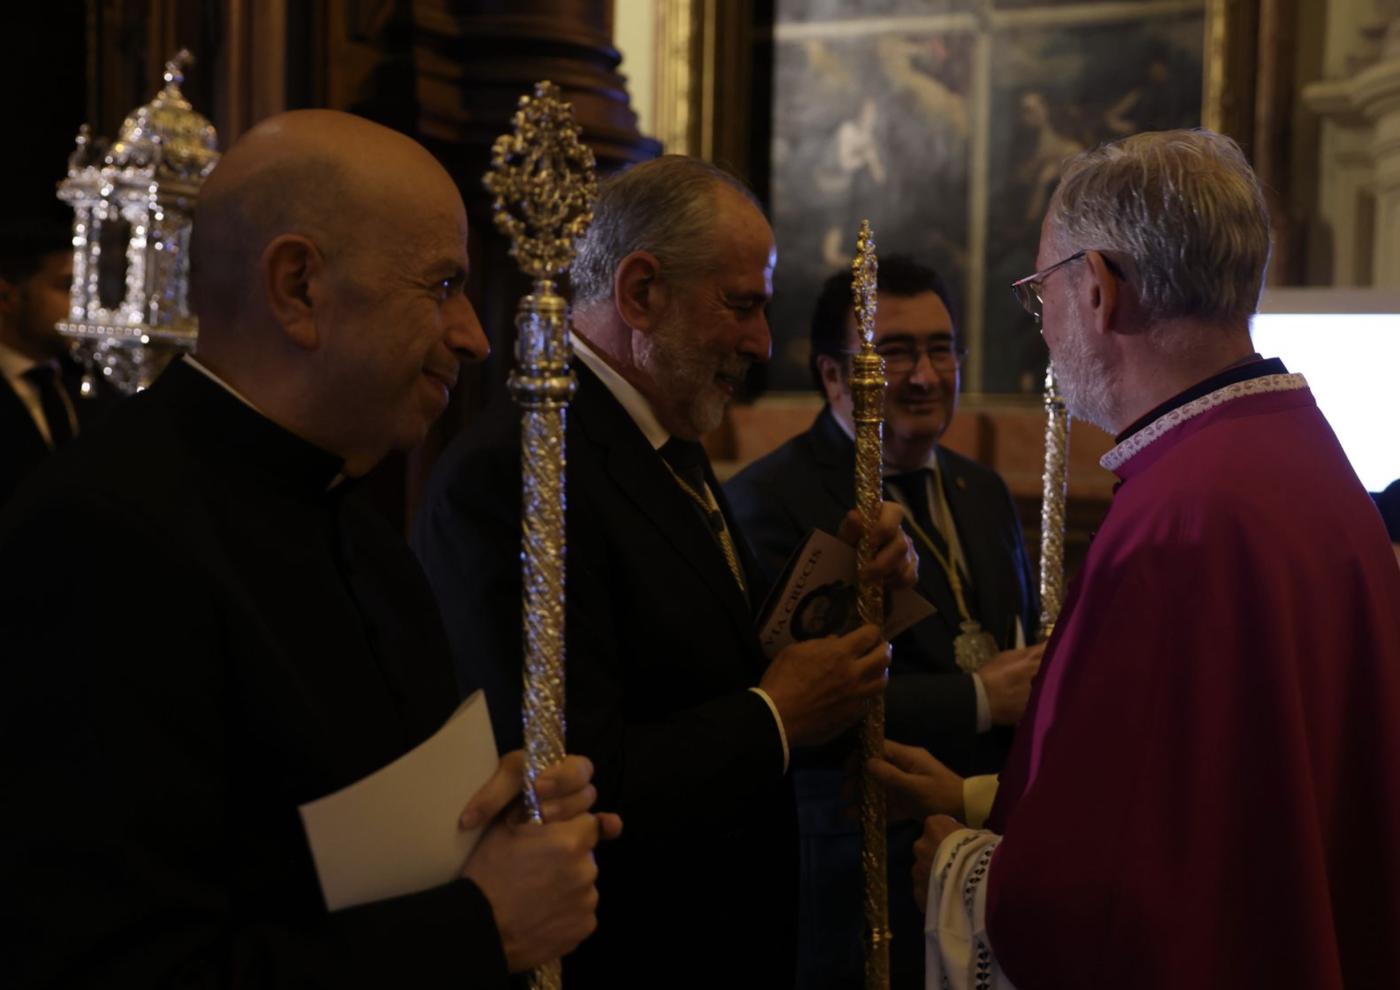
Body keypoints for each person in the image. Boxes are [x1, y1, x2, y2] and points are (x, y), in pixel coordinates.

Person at [0, 110, 615, 987]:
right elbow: (109, 961)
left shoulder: (349, 513)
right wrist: (478, 926)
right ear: (299, 288)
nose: (474, 337)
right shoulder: (100, 541)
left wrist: (483, 825)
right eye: (441, 285)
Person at [873, 129, 1400, 989]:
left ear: (1097, 290)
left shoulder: (1179, 521)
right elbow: (1231, 790)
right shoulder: (1296, 452)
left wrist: (961, 871)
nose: (1042, 320)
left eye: (1041, 287)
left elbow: (1120, 902)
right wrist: (976, 796)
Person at [414, 155, 914, 987]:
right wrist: (776, 715)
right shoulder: (517, 470)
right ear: (641, 292)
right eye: (741, 305)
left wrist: (849, 593)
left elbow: (705, 656)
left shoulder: (662, 435)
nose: (761, 341)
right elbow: (556, 773)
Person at [726, 257, 1041, 988]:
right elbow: (797, 698)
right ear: (836, 376)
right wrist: (981, 699)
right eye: (895, 353)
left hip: (978, 841)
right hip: (850, 855)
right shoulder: (771, 500)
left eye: (941, 349)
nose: (926, 376)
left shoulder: (983, 490)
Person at [0, 216, 118, 505]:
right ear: (8, 297)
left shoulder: (96, 384)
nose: (82, 306)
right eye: (66, 287)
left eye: (84, 290)